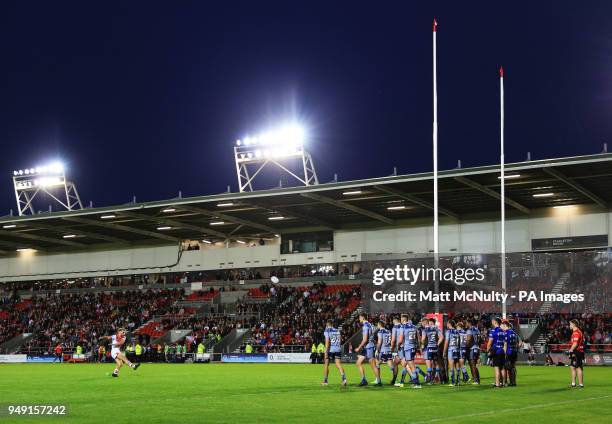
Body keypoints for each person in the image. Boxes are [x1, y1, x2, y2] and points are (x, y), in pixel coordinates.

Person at [396, 315, 421, 388]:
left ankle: (417, 383)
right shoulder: (414, 326)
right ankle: (402, 382)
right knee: (404, 364)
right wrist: (419, 348)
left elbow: (400, 340)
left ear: (403, 319)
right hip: (413, 347)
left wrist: (398, 346)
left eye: (401, 318)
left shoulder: (402, 327)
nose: (400, 319)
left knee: (412, 366)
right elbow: (419, 339)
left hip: (407, 348)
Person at [354, 313, 379, 387]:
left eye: (360, 317)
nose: (359, 319)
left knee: (373, 365)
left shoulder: (365, 326)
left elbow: (365, 339)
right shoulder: (370, 324)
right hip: (367, 346)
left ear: (363, 317)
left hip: (369, 347)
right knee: (358, 363)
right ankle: (363, 380)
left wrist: (359, 347)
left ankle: (379, 381)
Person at [321, 320, 347, 386]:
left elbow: (327, 342)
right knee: (338, 364)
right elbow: (340, 340)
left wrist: (326, 352)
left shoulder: (327, 330)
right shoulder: (337, 330)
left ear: (327, 324)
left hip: (330, 349)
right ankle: (344, 379)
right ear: (332, 324)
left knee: (326, 364)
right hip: (338, 349)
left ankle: (325, 381)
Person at [421, 317, 444, 384]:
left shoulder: (426, 329)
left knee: (429, 364)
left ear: (430, 322)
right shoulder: (437, 328)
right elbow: (442, 337)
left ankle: (430, 380)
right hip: (436, 348)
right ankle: (438, 378)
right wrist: (437, 344)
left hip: (429, 347)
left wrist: (422, 345)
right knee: (436, 363)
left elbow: (423, 339)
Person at [501, 320, 520, 386]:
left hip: (509, 352)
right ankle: (513, 382)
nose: (501, 327)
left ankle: (505, 382)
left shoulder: (506, 333)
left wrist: (504, 353)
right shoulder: (514, 333)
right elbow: (519, 343)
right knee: (513, 367)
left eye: (502, 326)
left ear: (505, 325)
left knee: (506, 367)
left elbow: (505, 345)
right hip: (514, 352)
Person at [487, 318, 504, 388]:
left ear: (495, 322)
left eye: (492, 321)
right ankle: (502, 383)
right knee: (501, 368)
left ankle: (497, 384)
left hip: (496, 350)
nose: (492, 322)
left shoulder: (493, 331)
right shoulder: (503, 331)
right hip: (502, 350)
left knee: (496, 367)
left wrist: (488, 350)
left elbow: (490, 342)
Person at [567, 319, 585, 388]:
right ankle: (573, 383)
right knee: (572, 367)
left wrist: (571, 350)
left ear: (574, 324)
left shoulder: (576, 333)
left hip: (577, 352)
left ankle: (581, 384)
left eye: (570, 324)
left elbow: (575, 343)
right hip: (578, 351)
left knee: (578, 367)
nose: (569, 325)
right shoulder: (578, 332)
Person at [375, 320, 393, 386]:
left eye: (377, 324)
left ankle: (378, 381)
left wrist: (377, 350)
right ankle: (395, 380)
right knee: (391, 367)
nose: (377, 326)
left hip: (383, 350)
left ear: (380, 325)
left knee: (377, 365)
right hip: (389, 350)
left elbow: (380, 342)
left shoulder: (380, 332)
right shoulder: (388, 331)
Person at [444, 320, 460, 386]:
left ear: (449, 324)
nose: (446, 324)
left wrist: (444, 351)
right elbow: (459, 342)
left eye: (447, 323)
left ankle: (453, 382)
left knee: (451, 366)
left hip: (451, 349)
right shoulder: (457, 331)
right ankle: (458, 381)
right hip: (457, 349)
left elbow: (447, 342)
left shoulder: (448, 331)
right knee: (457, 365)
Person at [466, 319, 481, 384]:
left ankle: (475, 380)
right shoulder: (477, 330)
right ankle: (477, 379)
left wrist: (466, 346)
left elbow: (469, 339)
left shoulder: (469, 330)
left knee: (472, 365)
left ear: (469, 323)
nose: (466, 324)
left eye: (466, 323)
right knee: (474, 365)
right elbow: (480, 339)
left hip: (472, 348)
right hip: (477, 348)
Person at [390, 317, 402, 385]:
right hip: (407, 347)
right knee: (396, 363)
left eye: (393, 320)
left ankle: (416, 380)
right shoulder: (404, 326)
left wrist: (391, 348)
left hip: (401, 348)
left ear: (395, 320)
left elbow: (393, 339)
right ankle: (394, 380)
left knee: (407, 365)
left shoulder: (395, 327)